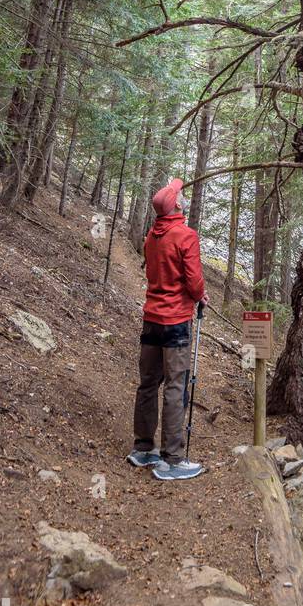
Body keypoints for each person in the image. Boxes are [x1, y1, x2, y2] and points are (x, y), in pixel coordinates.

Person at [127, 177, 209, 480]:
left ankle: (143, 448)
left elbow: (154, 271)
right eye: (180, 195)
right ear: (175, 205)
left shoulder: (152, 236)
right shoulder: (185, 236)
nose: (183, 197)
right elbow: (194, 280)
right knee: (175, 386)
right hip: (175, 322)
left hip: (151, 319)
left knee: (148, 384)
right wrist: (201, 296)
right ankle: (172, 459)